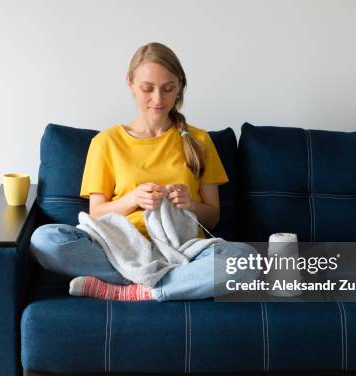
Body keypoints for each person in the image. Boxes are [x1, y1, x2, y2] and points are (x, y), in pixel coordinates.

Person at [30, 42, 259, 301]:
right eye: (147, 89)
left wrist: (190, 205)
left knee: (246, 259)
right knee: (45, 239)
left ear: (180, 86)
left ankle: (140, 290)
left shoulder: (199, 141)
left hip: (182, 250)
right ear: (130, 84)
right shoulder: (107, 142)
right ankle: (169, 284)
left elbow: (213, 217)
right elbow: (96, 212)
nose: (158, 99)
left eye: (168, 89)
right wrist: (132, 200)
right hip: (120, 247)